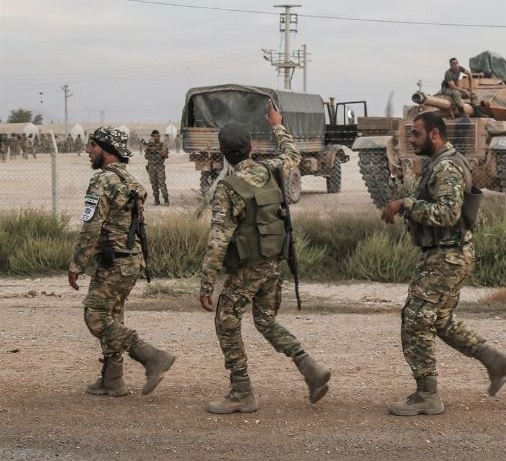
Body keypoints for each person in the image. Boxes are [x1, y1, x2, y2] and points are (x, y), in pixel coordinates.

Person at [198, 101, 330, 414]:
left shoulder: (228, 188)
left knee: (226, 321)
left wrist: (206, 283)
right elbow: (293, 155)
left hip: (248, 268)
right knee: (266, 320)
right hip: (274, 262)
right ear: (252, 147)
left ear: (222, 152)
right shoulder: (272, 170)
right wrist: (277, 124)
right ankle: (309, 367)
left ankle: (241, 391)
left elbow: (218, 239)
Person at [381, 111, 506, 415]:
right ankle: (496, 361)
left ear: (434, 134)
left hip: (447, 256)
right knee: (438, 319)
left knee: (416, 320)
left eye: (416, 134)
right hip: (446, 254)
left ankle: (427, 395)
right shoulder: (441, 163)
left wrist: (406, 204)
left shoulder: (446, 167)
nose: (411, 140)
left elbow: (447, 214)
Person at [67, 126, 176, 398]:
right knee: (113, 314)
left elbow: (91, 227)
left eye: (92, 146)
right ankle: (112, 379)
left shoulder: (102, 180)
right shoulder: (130, 181)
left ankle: (151, 357)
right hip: (130, 261)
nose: (87, 150)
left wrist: (76, 264)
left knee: (95, 315)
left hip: (114, 262)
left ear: (106, 149)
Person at [143, 130, 170, 206]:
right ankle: (156, 199)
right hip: (151, 167)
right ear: (152, 137)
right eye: (155, 136)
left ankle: (166, 199)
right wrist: (149, 150)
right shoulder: (149, 145)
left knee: (162, 183)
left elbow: (164, 154)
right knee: (154, 184)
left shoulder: (162, 145)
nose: (156, 137)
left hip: (160, 167)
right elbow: (146, 157)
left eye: (158, 136)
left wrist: (156, 150)